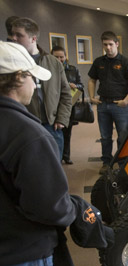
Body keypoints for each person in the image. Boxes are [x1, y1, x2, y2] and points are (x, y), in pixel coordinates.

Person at [0, 41, 76, 266]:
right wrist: (73, 210)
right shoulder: (28, 134)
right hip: (21, 259)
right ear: (18, 77)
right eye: (32, 77)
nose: (35, 84)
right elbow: (49, 207)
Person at [11, 17, 72, 160]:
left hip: (52, 126)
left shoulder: (53, 63)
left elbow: (65, 93)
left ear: (33, 38)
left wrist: (62, 119)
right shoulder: (11, 63)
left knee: (54, 167)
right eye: (12, 34)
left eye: (19, 35)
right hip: (25, 126)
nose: (13, 38)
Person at [88, 31, 128, 175]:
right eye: (105, 45)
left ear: (117, 44)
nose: (108, 47)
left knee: (122, 136)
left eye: (111, 44)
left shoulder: (125, 62)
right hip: (103, 104)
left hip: (120, 106)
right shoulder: (99, 62)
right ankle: (106, 162)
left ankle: (122, 162)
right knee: (105, 137)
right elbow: (92, 80)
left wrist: (126, 101)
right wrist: (91, 96)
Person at [51, 46, 83, 165]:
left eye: (61, 57)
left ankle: (66, 155)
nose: (59, 59)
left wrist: (76, 86)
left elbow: (81, 85)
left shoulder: (73, 70)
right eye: (56, 57)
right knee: (53, 132)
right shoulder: (48, 69)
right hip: (53, 106)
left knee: (67, 132)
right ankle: (56, 157)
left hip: (68, 106)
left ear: (65, 57)